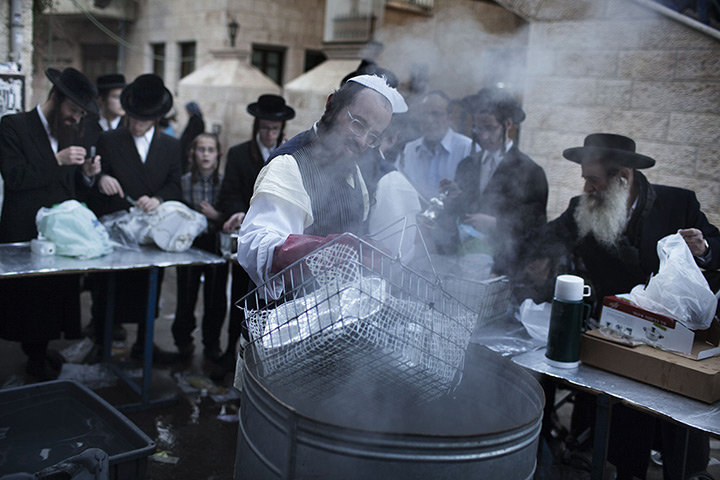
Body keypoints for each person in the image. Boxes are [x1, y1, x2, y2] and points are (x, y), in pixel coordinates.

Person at [524, 133, 720, 480]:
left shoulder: (678, 204)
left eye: (593, 179)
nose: (586, 186)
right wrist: (510, 250)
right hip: (616, 341)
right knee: (626, 442)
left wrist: (704, 248)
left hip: (672, 347)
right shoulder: (581, 208)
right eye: (585, 177)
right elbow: (542, 238)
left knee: (678, 447)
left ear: (623, 178)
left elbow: (716, 247)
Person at [237, 73, 407, 289]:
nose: (362, 141)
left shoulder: (353, 168)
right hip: (290, 315)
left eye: (373, 136)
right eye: (357, 124)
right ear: (332, 104)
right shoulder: (290, 163)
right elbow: (256, 246)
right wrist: (323, 250)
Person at [0, 67, 102, 380]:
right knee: (29, 303)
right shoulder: (13, 125)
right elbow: (14, 178)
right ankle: (33, 358)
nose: (75, 118)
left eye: (81, 113)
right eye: (73, 110)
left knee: (54, 297)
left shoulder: (72, 130)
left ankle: (42, 351)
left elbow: (71, 185)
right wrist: (56, 160)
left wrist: (86, 174)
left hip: (63, 235)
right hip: (25, 230)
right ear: (55, 98)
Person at [91, 73, 182, 363]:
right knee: (107, 290)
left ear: (155, 119)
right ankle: (101, 344)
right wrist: (101, 177)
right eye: (131, 118)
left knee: (148, 291)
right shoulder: (108, 139)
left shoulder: (170, 146)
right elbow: (95, 175)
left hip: (151, 231)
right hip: (116, 231)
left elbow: (175, 184)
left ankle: (145, 345)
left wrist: (158, 199)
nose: (135, 125)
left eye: (142, 120)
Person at [212, 94, 296, 379]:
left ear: (281, 129)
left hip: (277, 241)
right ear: (257, 127)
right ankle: (228, 351)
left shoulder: (290, 157)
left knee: (271, 305)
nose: (270, 134)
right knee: (238, 298)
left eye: (275, 129)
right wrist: (237, 212)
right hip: (247, 241)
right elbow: (230, 194)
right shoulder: (238, 154)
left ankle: (263, 359)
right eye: (265, 128)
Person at [441, 87, 548, 276]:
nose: (483, 136)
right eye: (478, 128)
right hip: (464, 262)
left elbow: (536, 224)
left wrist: (498, 224)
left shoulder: (531, 172)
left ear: (507, 125)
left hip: (505, 268)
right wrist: (454, 197)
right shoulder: (467, 165)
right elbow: (458, 213)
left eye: (490, 128)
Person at [172, 133, 228, 361]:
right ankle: (183, 340)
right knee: (186, 293)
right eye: (201, 149)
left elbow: (231, 210)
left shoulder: (224, 182)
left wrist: (216, 215)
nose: (205, 155)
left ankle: (211, 343)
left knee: (215, 296)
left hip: (215, 242)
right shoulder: (184, 181)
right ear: (193, 153)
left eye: (210, 150)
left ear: (217, 155)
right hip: (190, 243)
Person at [397, 90, 472, 201]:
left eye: (436, 114)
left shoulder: (467, 148)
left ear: (450, 118)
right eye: (424, 114)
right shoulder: (409, 150)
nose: (429, 120)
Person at [80, 73, 126, 151]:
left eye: (124, 97)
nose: (122, 102)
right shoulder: (84, 126)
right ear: (101, 99)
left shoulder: (128, 126)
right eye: (116, 97)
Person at [179, 101, 205, 173]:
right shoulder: (195, 120)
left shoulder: (196, 120)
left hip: (189, 147)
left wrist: (190, 148)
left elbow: (192, 136)